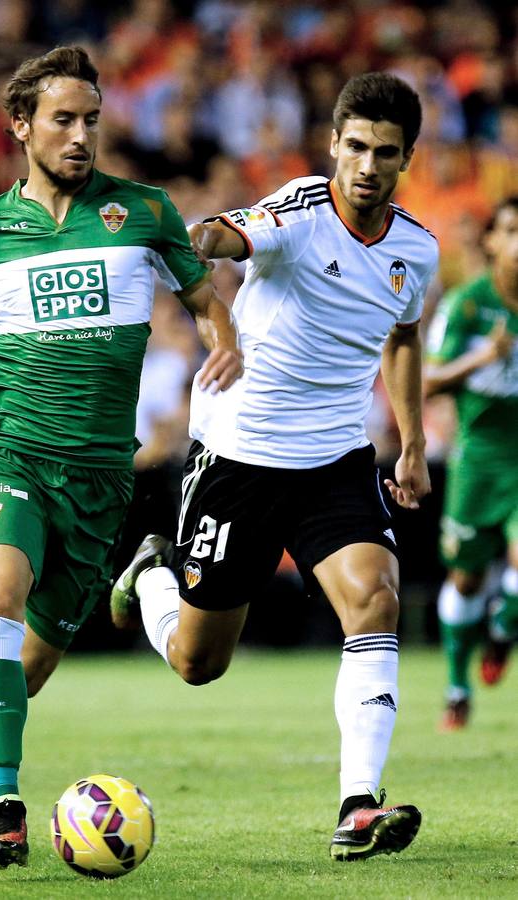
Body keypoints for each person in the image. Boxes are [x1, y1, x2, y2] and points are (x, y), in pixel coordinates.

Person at [0, 46, 242, 868]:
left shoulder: (143, 212)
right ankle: (5, 808)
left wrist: (226, 348)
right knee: (1, 592)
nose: (80, 136)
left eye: (92, 121)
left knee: (20, 671)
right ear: (20, 127)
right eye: (63, 121)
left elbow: (205, 301)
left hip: (101, 475)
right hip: (9, 455)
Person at [111, 72, 439, 862]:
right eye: (354, 146)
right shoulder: (297, 210)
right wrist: (197, 252)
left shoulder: (415, 249)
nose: (365, 164)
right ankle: (154, 575)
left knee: (374, 601)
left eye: (383, 153)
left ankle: (357, 804)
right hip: (241, 458)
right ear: (332, 144)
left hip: (335, 459)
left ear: (404, 160)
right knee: (198, 663)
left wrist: (414, 442)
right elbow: (222, 235)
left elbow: (400, 338)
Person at [425, 197, 518, 731]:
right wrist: (483, 357)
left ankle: (503, 628)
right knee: (465, 579)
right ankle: (458, 688)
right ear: (490, 242)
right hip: (477, 461)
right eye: (510, 230)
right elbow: (426, 383)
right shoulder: (466, 305)